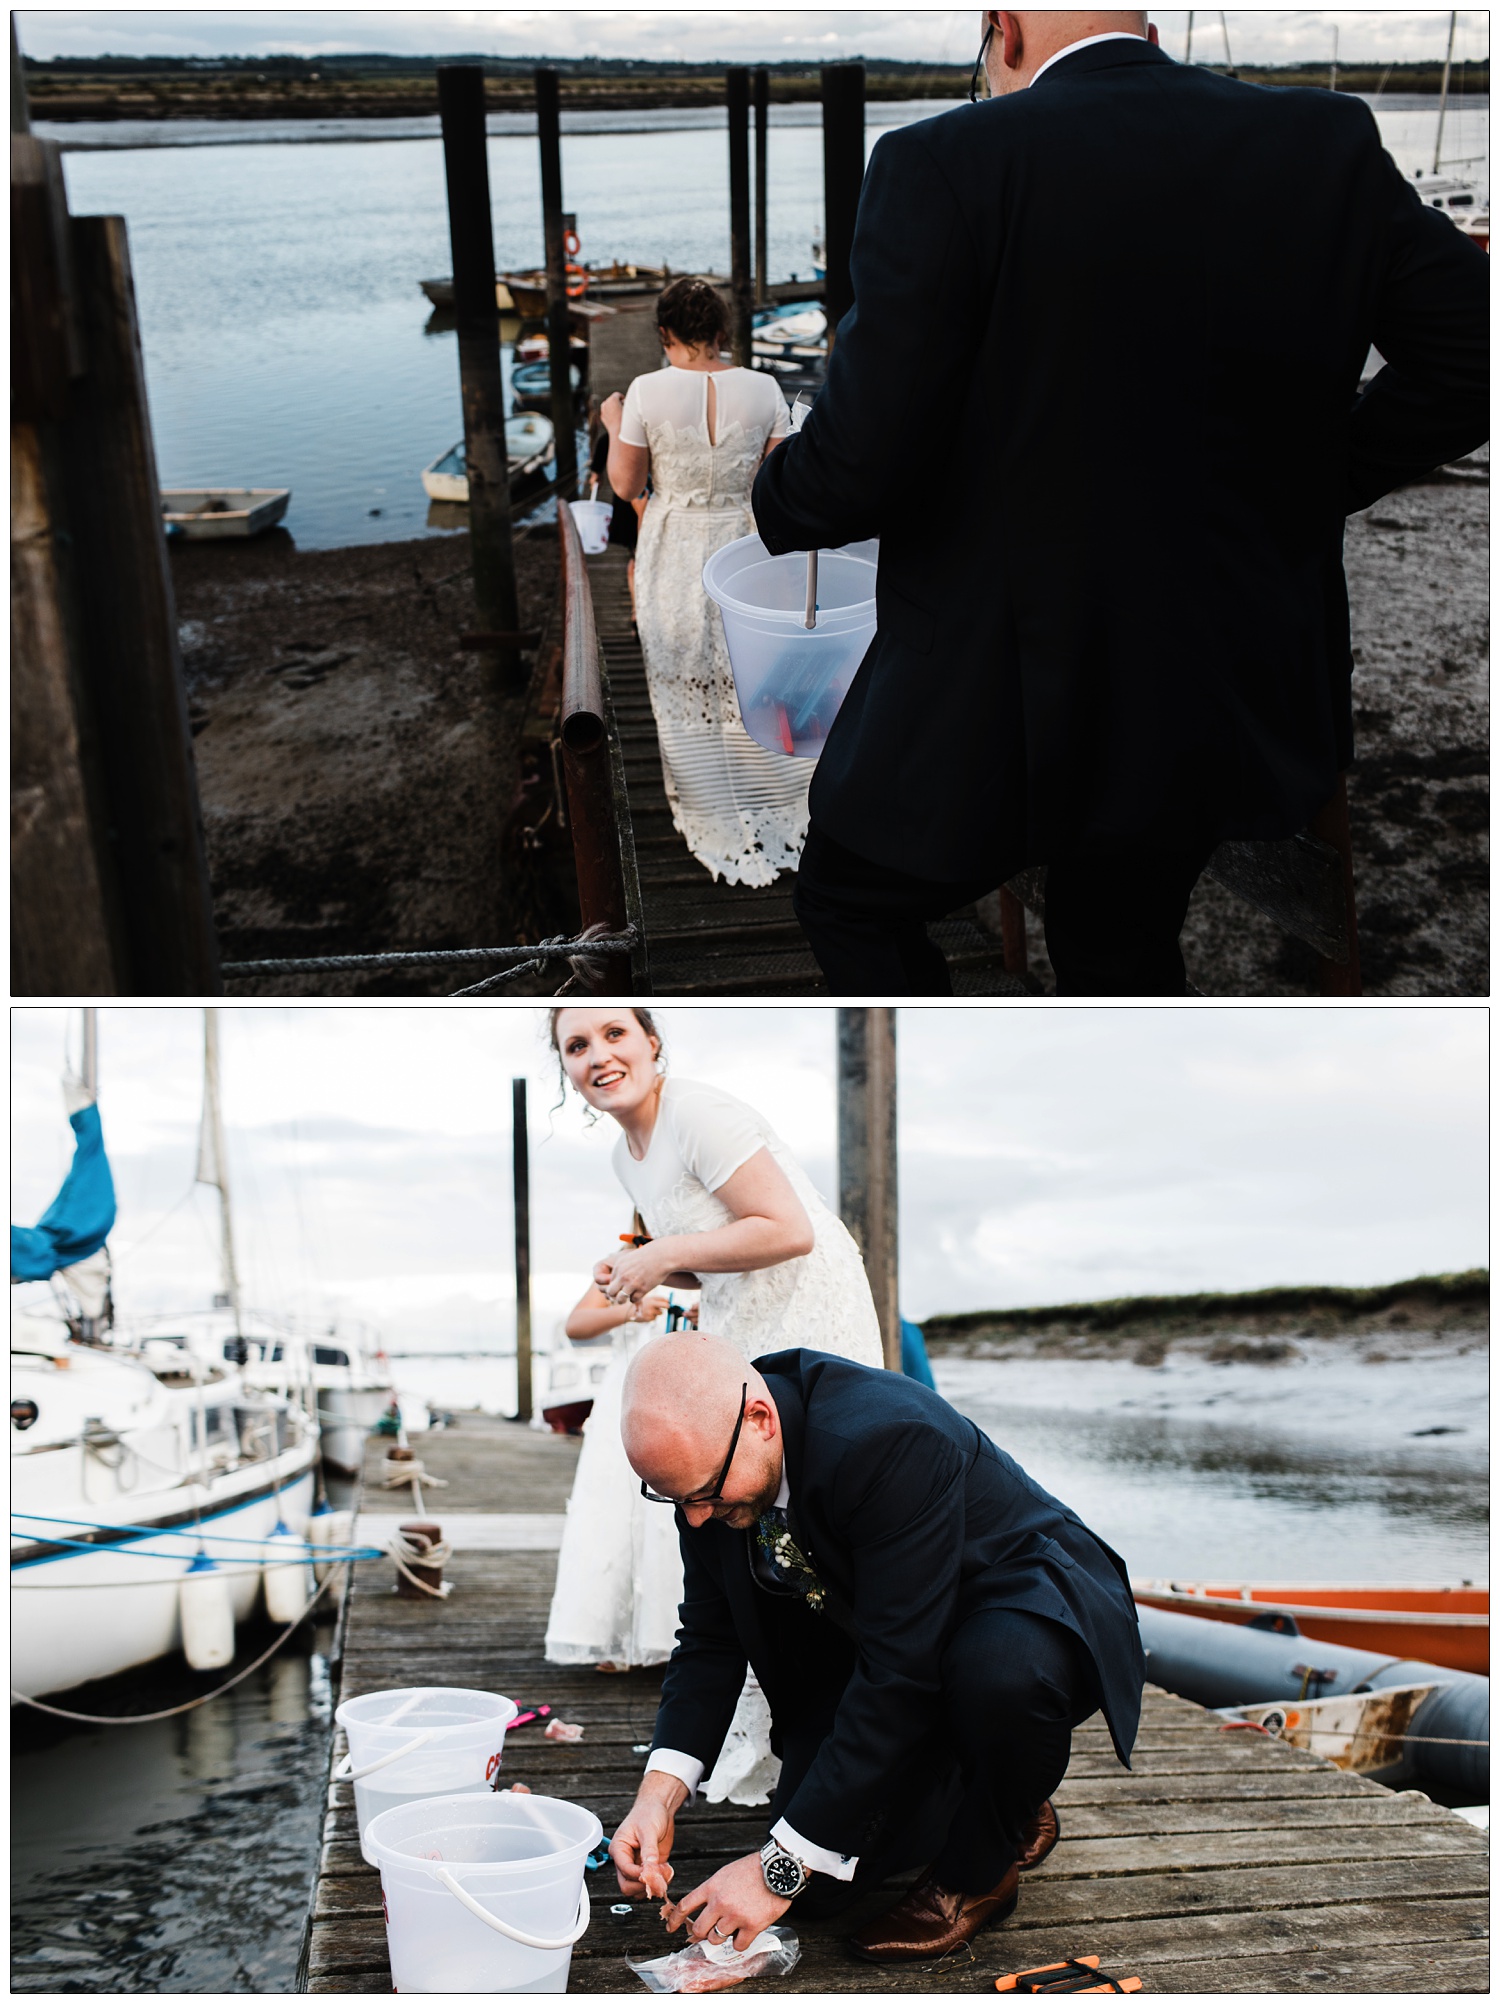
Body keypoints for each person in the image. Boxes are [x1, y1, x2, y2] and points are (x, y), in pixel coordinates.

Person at [752, 10, 1490, 996]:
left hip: (1001, 714)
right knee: (1121, 941)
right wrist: (1314, 475)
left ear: (1001, 31)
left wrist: (776, 485)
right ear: (1141, 22)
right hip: (1221, 697)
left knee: (844, 900)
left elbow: (852, 470)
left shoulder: (944, 164)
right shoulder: (1323, 140)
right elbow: (1469, 356)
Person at [609, 1333, 1146, 1962]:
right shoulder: (702, 1467)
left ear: (759, 1420)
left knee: (998, 1677)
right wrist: (658, 1795)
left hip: (1017, 1598)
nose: (695, 1518)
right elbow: (709, 1638)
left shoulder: (888, 1437)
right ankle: (1000, 1789)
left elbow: (899, 1671)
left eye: (702, 1496)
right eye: (676, 1500)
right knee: (821, 1892)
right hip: (888, 1629)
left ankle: (980, 1869)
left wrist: (775, 1870)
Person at [541, 1006, 883, 1801]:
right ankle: (795, 1725)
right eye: (577, 1046)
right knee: (748, 1524)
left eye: (614, 1035)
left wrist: (661, 1254)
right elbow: (712, 1253)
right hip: (741, 1316)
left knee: (812, 1509)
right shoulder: (629, 1160)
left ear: (653, 1042)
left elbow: (787, 1228)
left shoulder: (698, 1112)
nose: (599, 1056)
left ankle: (861, 1722)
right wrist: (649, 1274)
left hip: (806, 1304)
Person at [601, 277, 810, 889]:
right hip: (747, 548)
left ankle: (707, 801)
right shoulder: (764, 387)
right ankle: (773, 792)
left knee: (681, 672)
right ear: (720, 330)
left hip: (674, 547)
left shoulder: (643, 391)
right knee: (751, 673)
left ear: (665, 333)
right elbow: (777, 481)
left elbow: (625, 484)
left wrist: (615, 421)